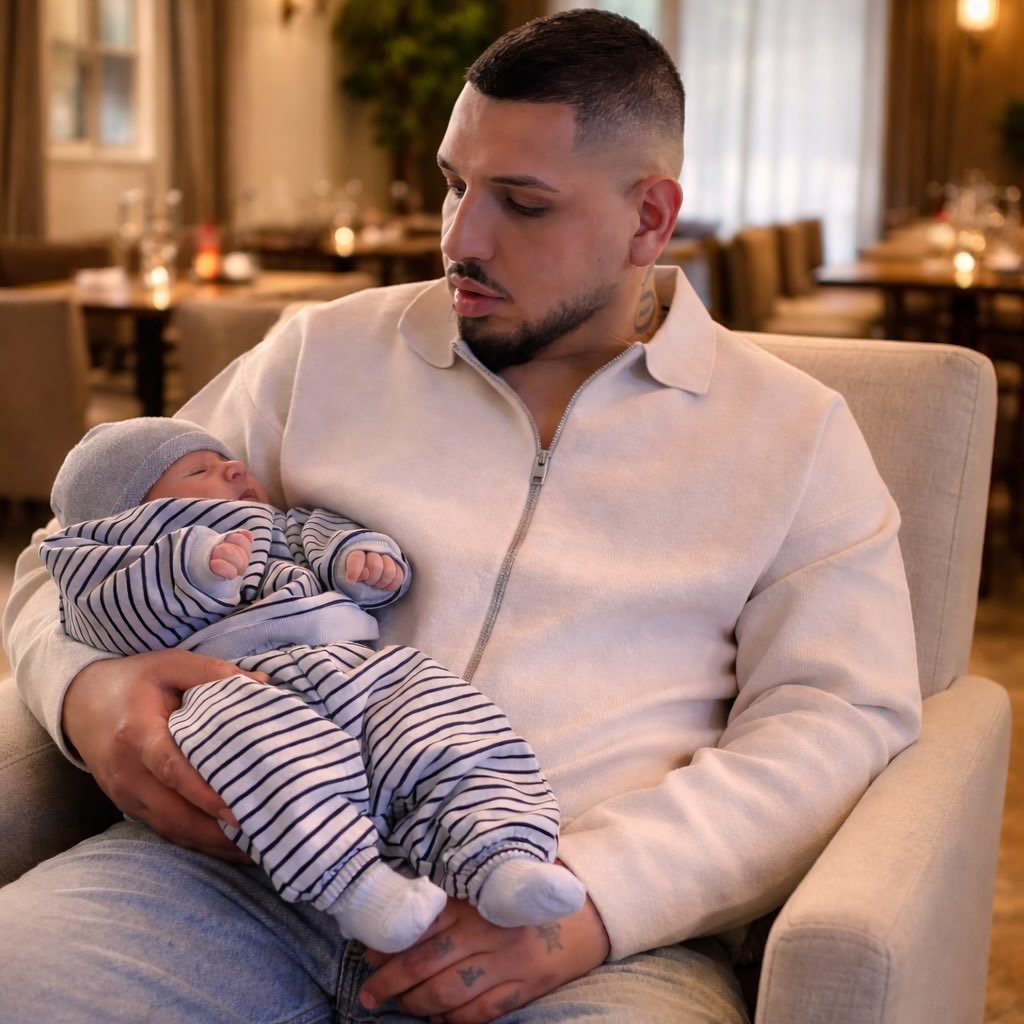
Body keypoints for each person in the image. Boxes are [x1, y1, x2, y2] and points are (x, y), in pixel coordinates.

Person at [0, 8, 921, 1024]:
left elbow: (836, 716)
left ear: (649, 219)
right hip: (235, 876)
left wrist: (601, 896)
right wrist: (86, 687)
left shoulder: (793, 433)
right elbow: (64, 555)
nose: (459, 239)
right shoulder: (321, 353)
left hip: (568, 923)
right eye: (454, 184)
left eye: (521, 203)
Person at [39, 415, 586, 953]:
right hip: (236, 686)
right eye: (200, 470)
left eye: (228, 461)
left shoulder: (281, 527)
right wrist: (191, 571)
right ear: (131, 516)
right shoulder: (110, 569)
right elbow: (113, 618)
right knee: (254, 758)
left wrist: (359, 563)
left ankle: (503, 860)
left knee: (441, 719)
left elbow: (325, 539)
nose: (235, 468)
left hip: (355, 666)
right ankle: (359, 889)